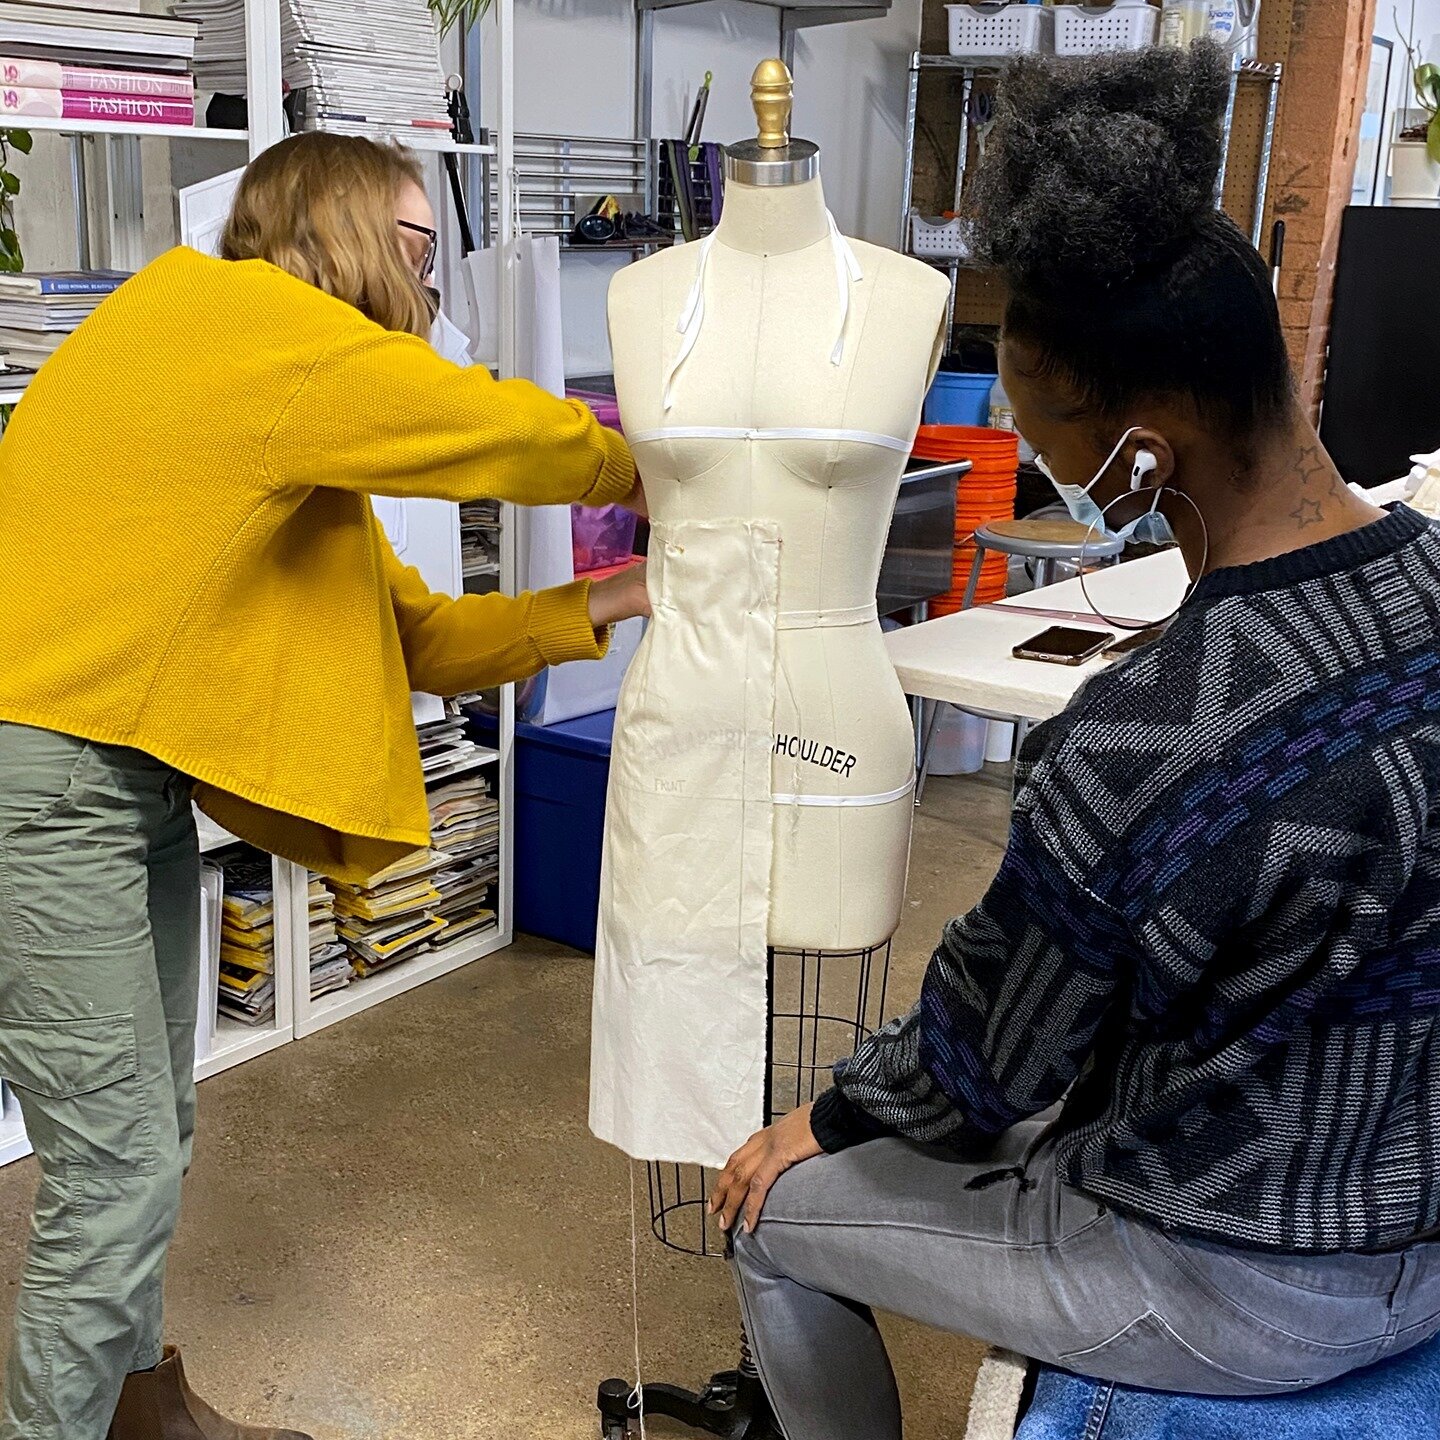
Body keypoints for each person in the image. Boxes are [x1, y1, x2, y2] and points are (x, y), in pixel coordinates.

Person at [709, 45, 1440, 1440]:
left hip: (1247, 1281)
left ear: (1145, 459)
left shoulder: (1147, 734)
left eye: (1051, 443)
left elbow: (988, 1063)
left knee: (769, 1205)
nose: (1051, 476)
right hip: (1420, 1213)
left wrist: (831, 1117)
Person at [0, 133, 647, 1440]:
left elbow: (416, 640)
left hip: (108, 775)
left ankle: (139, 1413)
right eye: (417, 253)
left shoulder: (271, 411)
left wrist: (623, 594)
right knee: (114, 1174)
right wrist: (655, 469)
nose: (429, 294)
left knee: (146, 1136)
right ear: (341, 232)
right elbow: (484, 427)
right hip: (38, 773)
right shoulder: (236, 316)